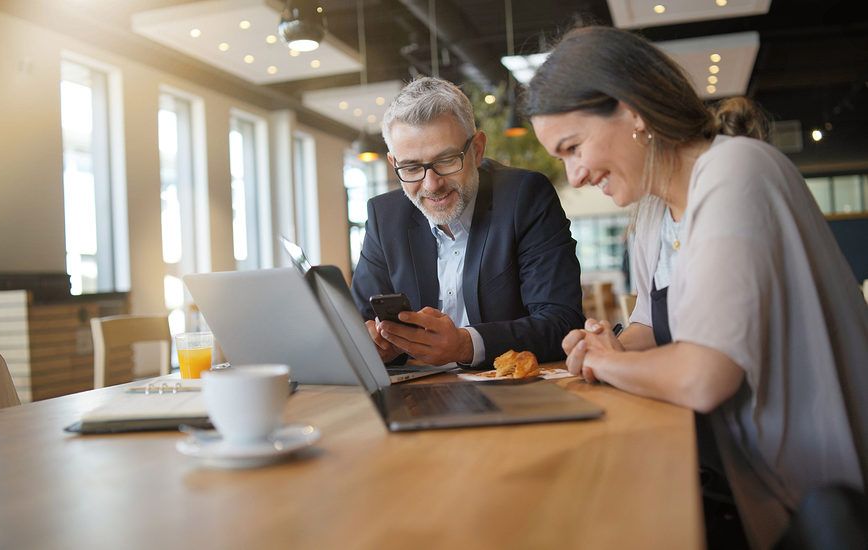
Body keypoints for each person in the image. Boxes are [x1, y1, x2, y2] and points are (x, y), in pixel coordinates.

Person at [525, 26, 868, 550]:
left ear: (633, 110)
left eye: (573, 147)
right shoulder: (653, 213)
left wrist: (603, 362)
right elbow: (648, 325)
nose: (573, 175)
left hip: (821, 493)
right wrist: (609, 343)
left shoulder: (735, 172)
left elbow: (706, 377)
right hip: (750, 477)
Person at [350, 76, 585, 368]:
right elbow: (355, 324)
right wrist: (373, 344)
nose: (431, 184)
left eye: (447, 160)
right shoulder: (384, 216)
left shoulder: (524, 197)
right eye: (411, 167)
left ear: (477, 150)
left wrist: (465, 345)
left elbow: (561, 321)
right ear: (394, 164)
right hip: (418, 398)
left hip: (511, 393)